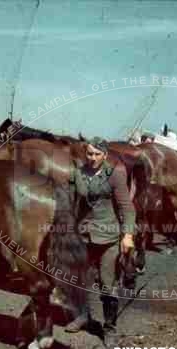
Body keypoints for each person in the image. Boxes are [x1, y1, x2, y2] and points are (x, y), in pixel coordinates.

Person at [65, 137, 136, 333]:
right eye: (89, 154)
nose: (93, 158)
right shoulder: (77, 174)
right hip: (83, 236)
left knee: (107, 283)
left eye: (97, 154)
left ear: (105, 155)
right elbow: (70, 203)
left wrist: (128, 235)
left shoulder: (114, 175)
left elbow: (128, 209)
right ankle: (82, 316)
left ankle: (109, 327)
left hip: (108, 237)